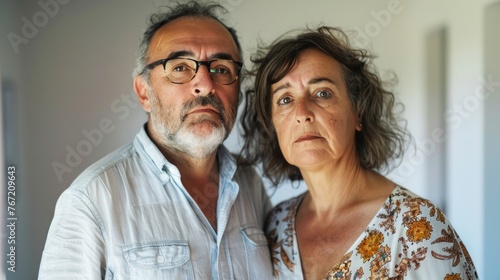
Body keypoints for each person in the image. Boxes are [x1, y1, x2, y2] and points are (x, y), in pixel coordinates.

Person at [38, 2, 273, 279]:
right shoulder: (91, 200)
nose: (206, 84)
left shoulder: (250, 182)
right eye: (180, 68)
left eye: (221, 68)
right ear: (144, 93)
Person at [239, 26, 478, 279]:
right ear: (272, 123)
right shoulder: (275, 226)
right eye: (285, 99)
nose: (302, 113)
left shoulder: (416, 226)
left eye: (322, 93)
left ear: (358, 113)